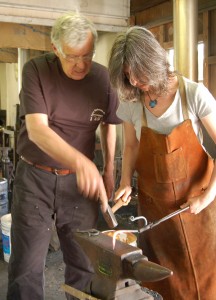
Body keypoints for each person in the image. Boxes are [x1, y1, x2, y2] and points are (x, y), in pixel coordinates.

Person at [7, 12, 121, 300]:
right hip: (35, 178)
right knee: (26, 266)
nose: (81, 64)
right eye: (72, 56)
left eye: (88, 55)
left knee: (84, 263)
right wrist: (82, 162)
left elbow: (110, 125)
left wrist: (109, 170)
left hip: (80, 186)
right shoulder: (36, 70)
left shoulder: (103, 78)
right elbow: (37, 131)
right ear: (56, 49)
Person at [108, 26, 216, 300]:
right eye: (127, 77)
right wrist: (124, 182)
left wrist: (206, 197)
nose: (134, 82)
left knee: (206, 284)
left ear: (153, 61)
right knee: (167, 285)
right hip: (157, 215)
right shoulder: (133, 100)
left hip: (198, 211)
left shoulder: (193, 94)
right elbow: (131, 145)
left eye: (138, 73)